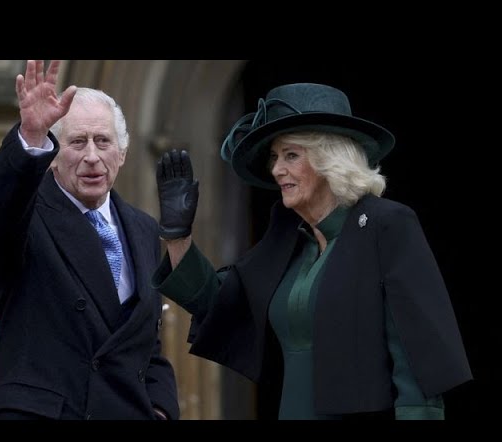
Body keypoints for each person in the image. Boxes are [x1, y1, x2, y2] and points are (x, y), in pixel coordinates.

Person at [152, 82, 473, 419]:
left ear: (330, 158)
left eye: (291, 155)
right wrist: (177, 235)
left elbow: (415, 356)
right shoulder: (289, 237)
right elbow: (219, 303)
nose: (276, 169)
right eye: (275, 157)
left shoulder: (386, 224)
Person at [0, 60, 179, 420]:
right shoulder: (26, 215)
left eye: (103, 141)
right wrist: (31, 137)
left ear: (123, 153)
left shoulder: (144, 229)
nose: (92, 157)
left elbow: (145, 342)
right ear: (53, 155)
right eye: (77, 142)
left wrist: (159, 407)